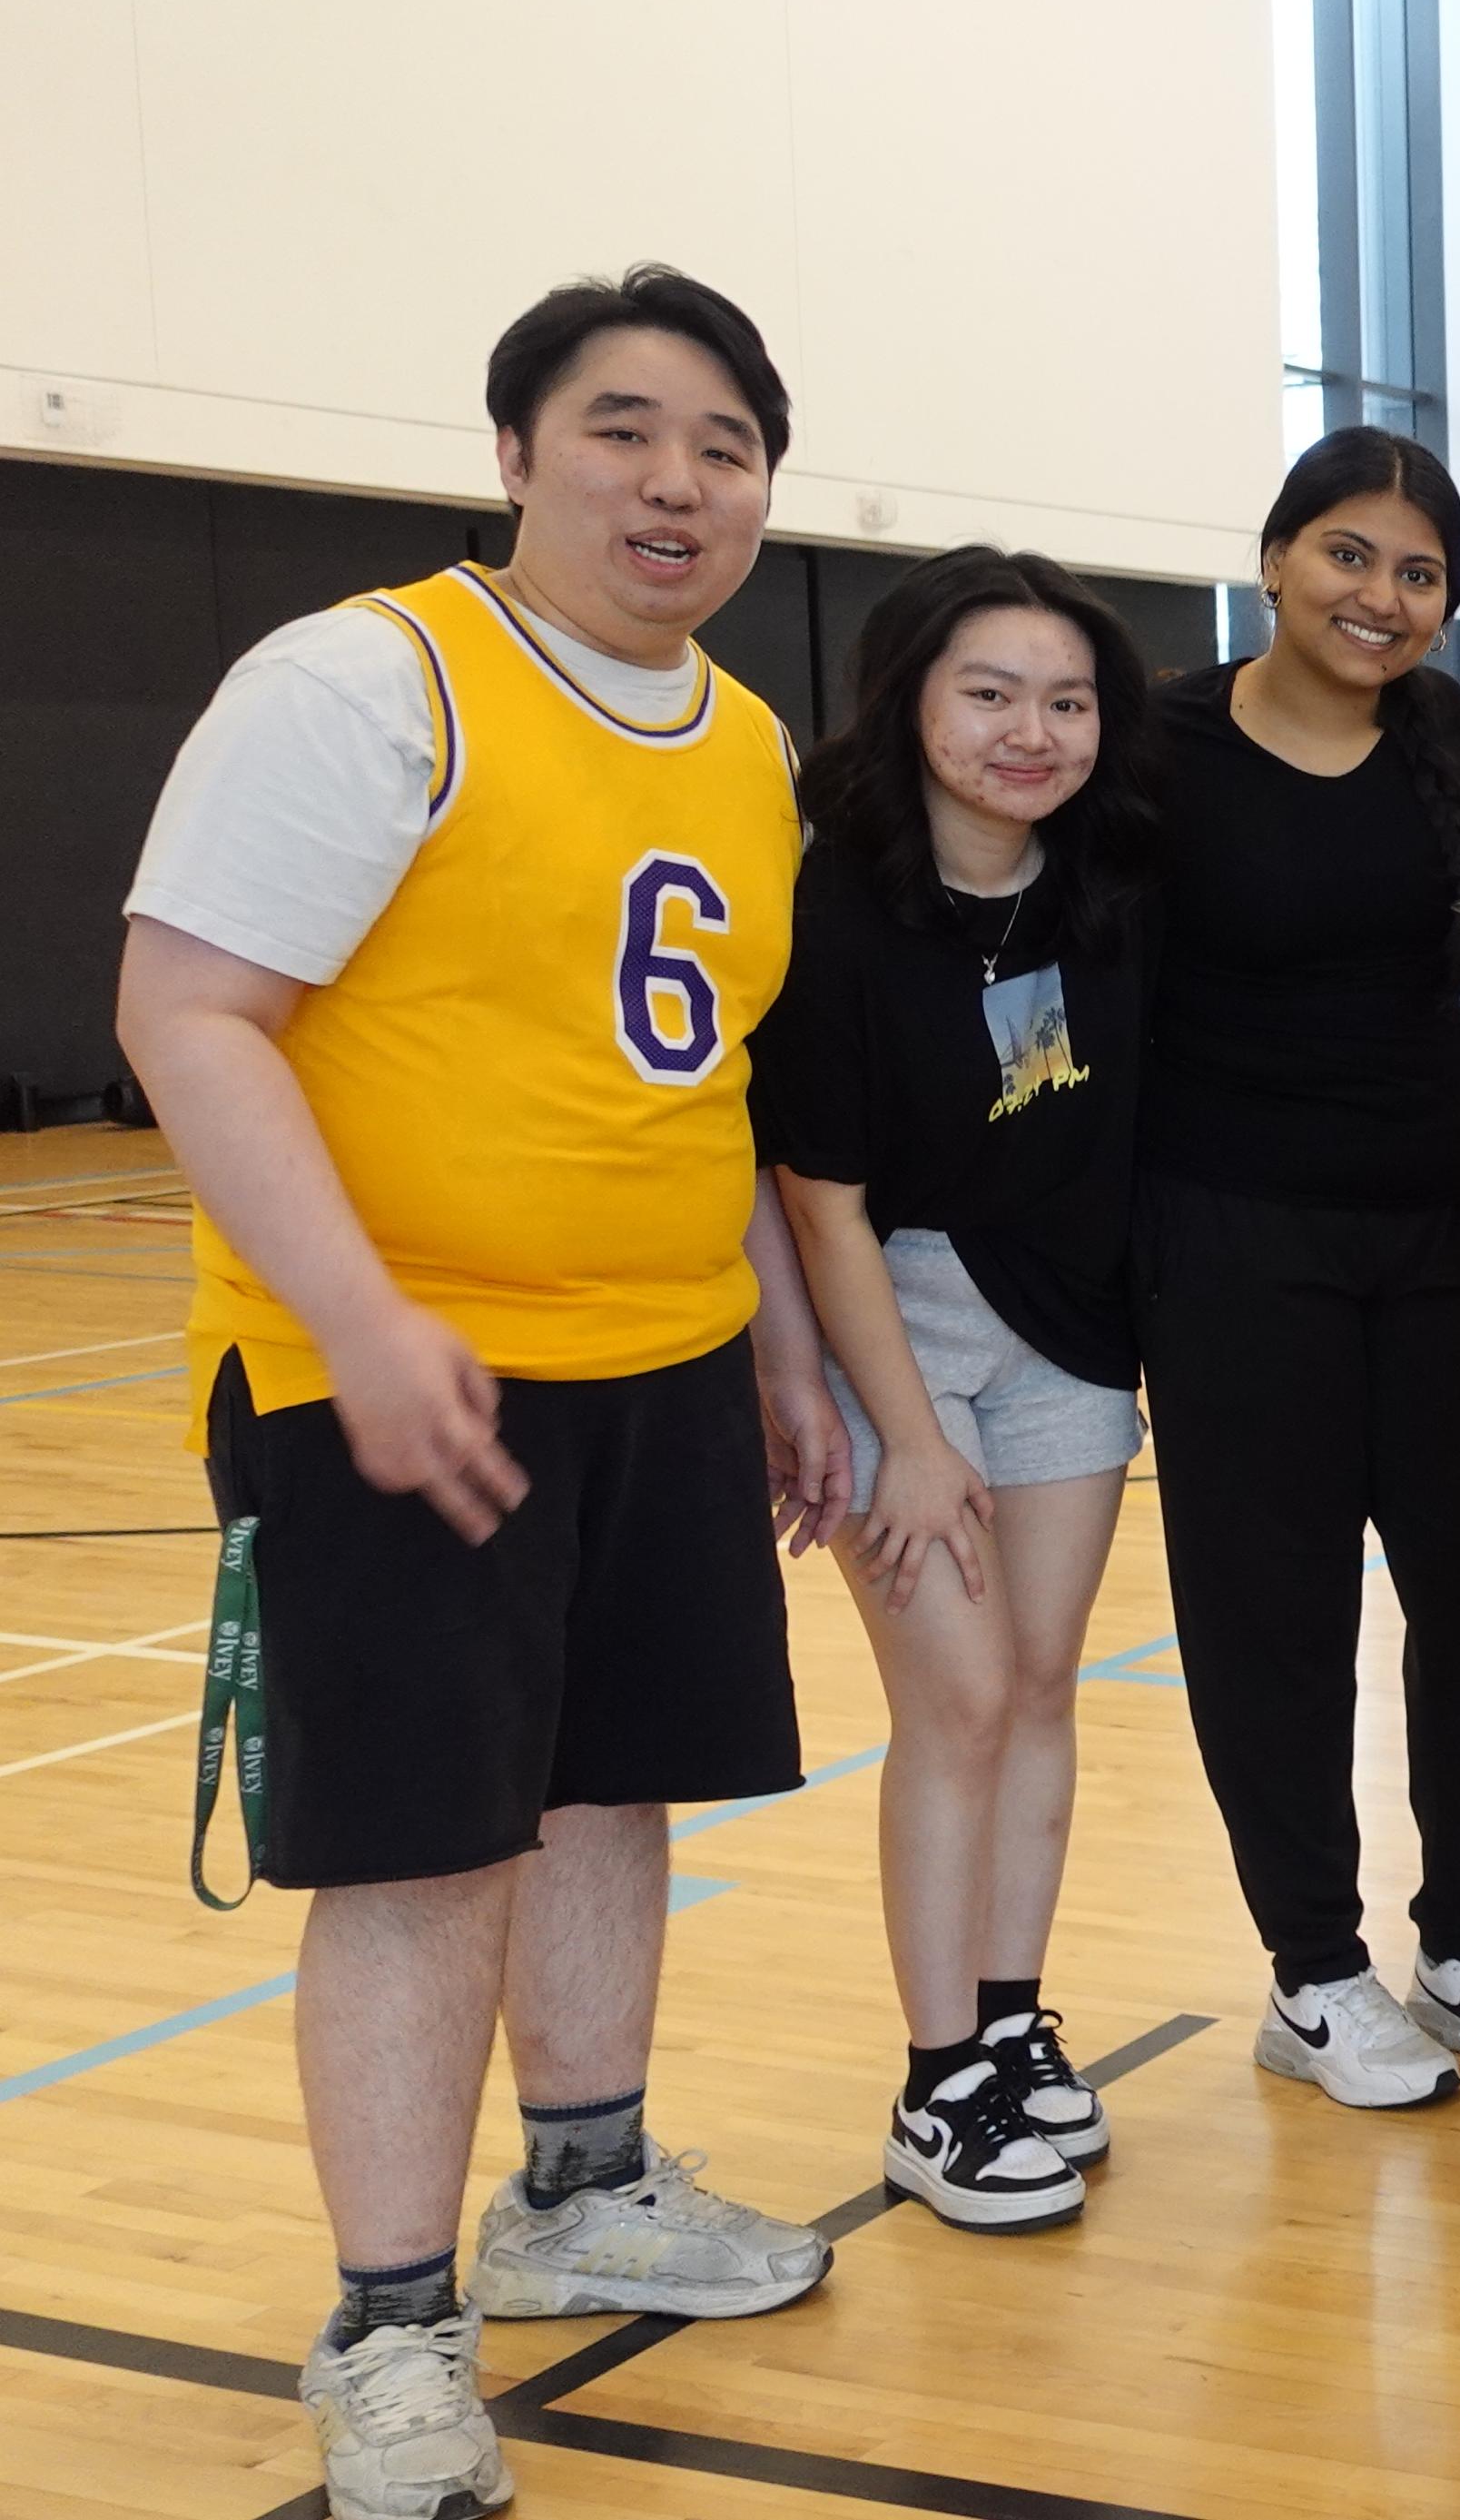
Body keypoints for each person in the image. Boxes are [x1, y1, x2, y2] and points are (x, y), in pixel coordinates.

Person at [117, 265, 840, 2520]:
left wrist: (785, 1357)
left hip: (660, 1364)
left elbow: (694, 1080)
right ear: (518, 451)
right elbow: (187, 1010)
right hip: (389, 1384)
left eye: (725, 445)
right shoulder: (364, 677)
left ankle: (586, 2183)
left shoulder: (737, 739)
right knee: (428, 1859)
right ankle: (392, 2322)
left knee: (612, 1795)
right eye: (624, 428)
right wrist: (355, 1321)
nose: (677, 480)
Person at [1135, 426, 1460, 2113]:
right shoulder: (1162, 740)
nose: (1378, 595)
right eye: (1346, 553)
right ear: (1274, 558)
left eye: (1417, 571)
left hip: (1447, 1228)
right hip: (1235, 1239)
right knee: (1277, 1614)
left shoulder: (1446, 737)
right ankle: (1312, 1969)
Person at [750, 546, 1163, 2233]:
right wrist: (902, 1441)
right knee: (961, 1698)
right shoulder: (837, 895)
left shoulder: (1114, 873)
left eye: (1064, 700)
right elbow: (821, 1198)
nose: (1030, 731)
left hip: (1068, 1323)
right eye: (988, 693)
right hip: (892, 1321)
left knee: (1044, 1688)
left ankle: (1007, 2024)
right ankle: (937, 2090)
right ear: (912, 696)